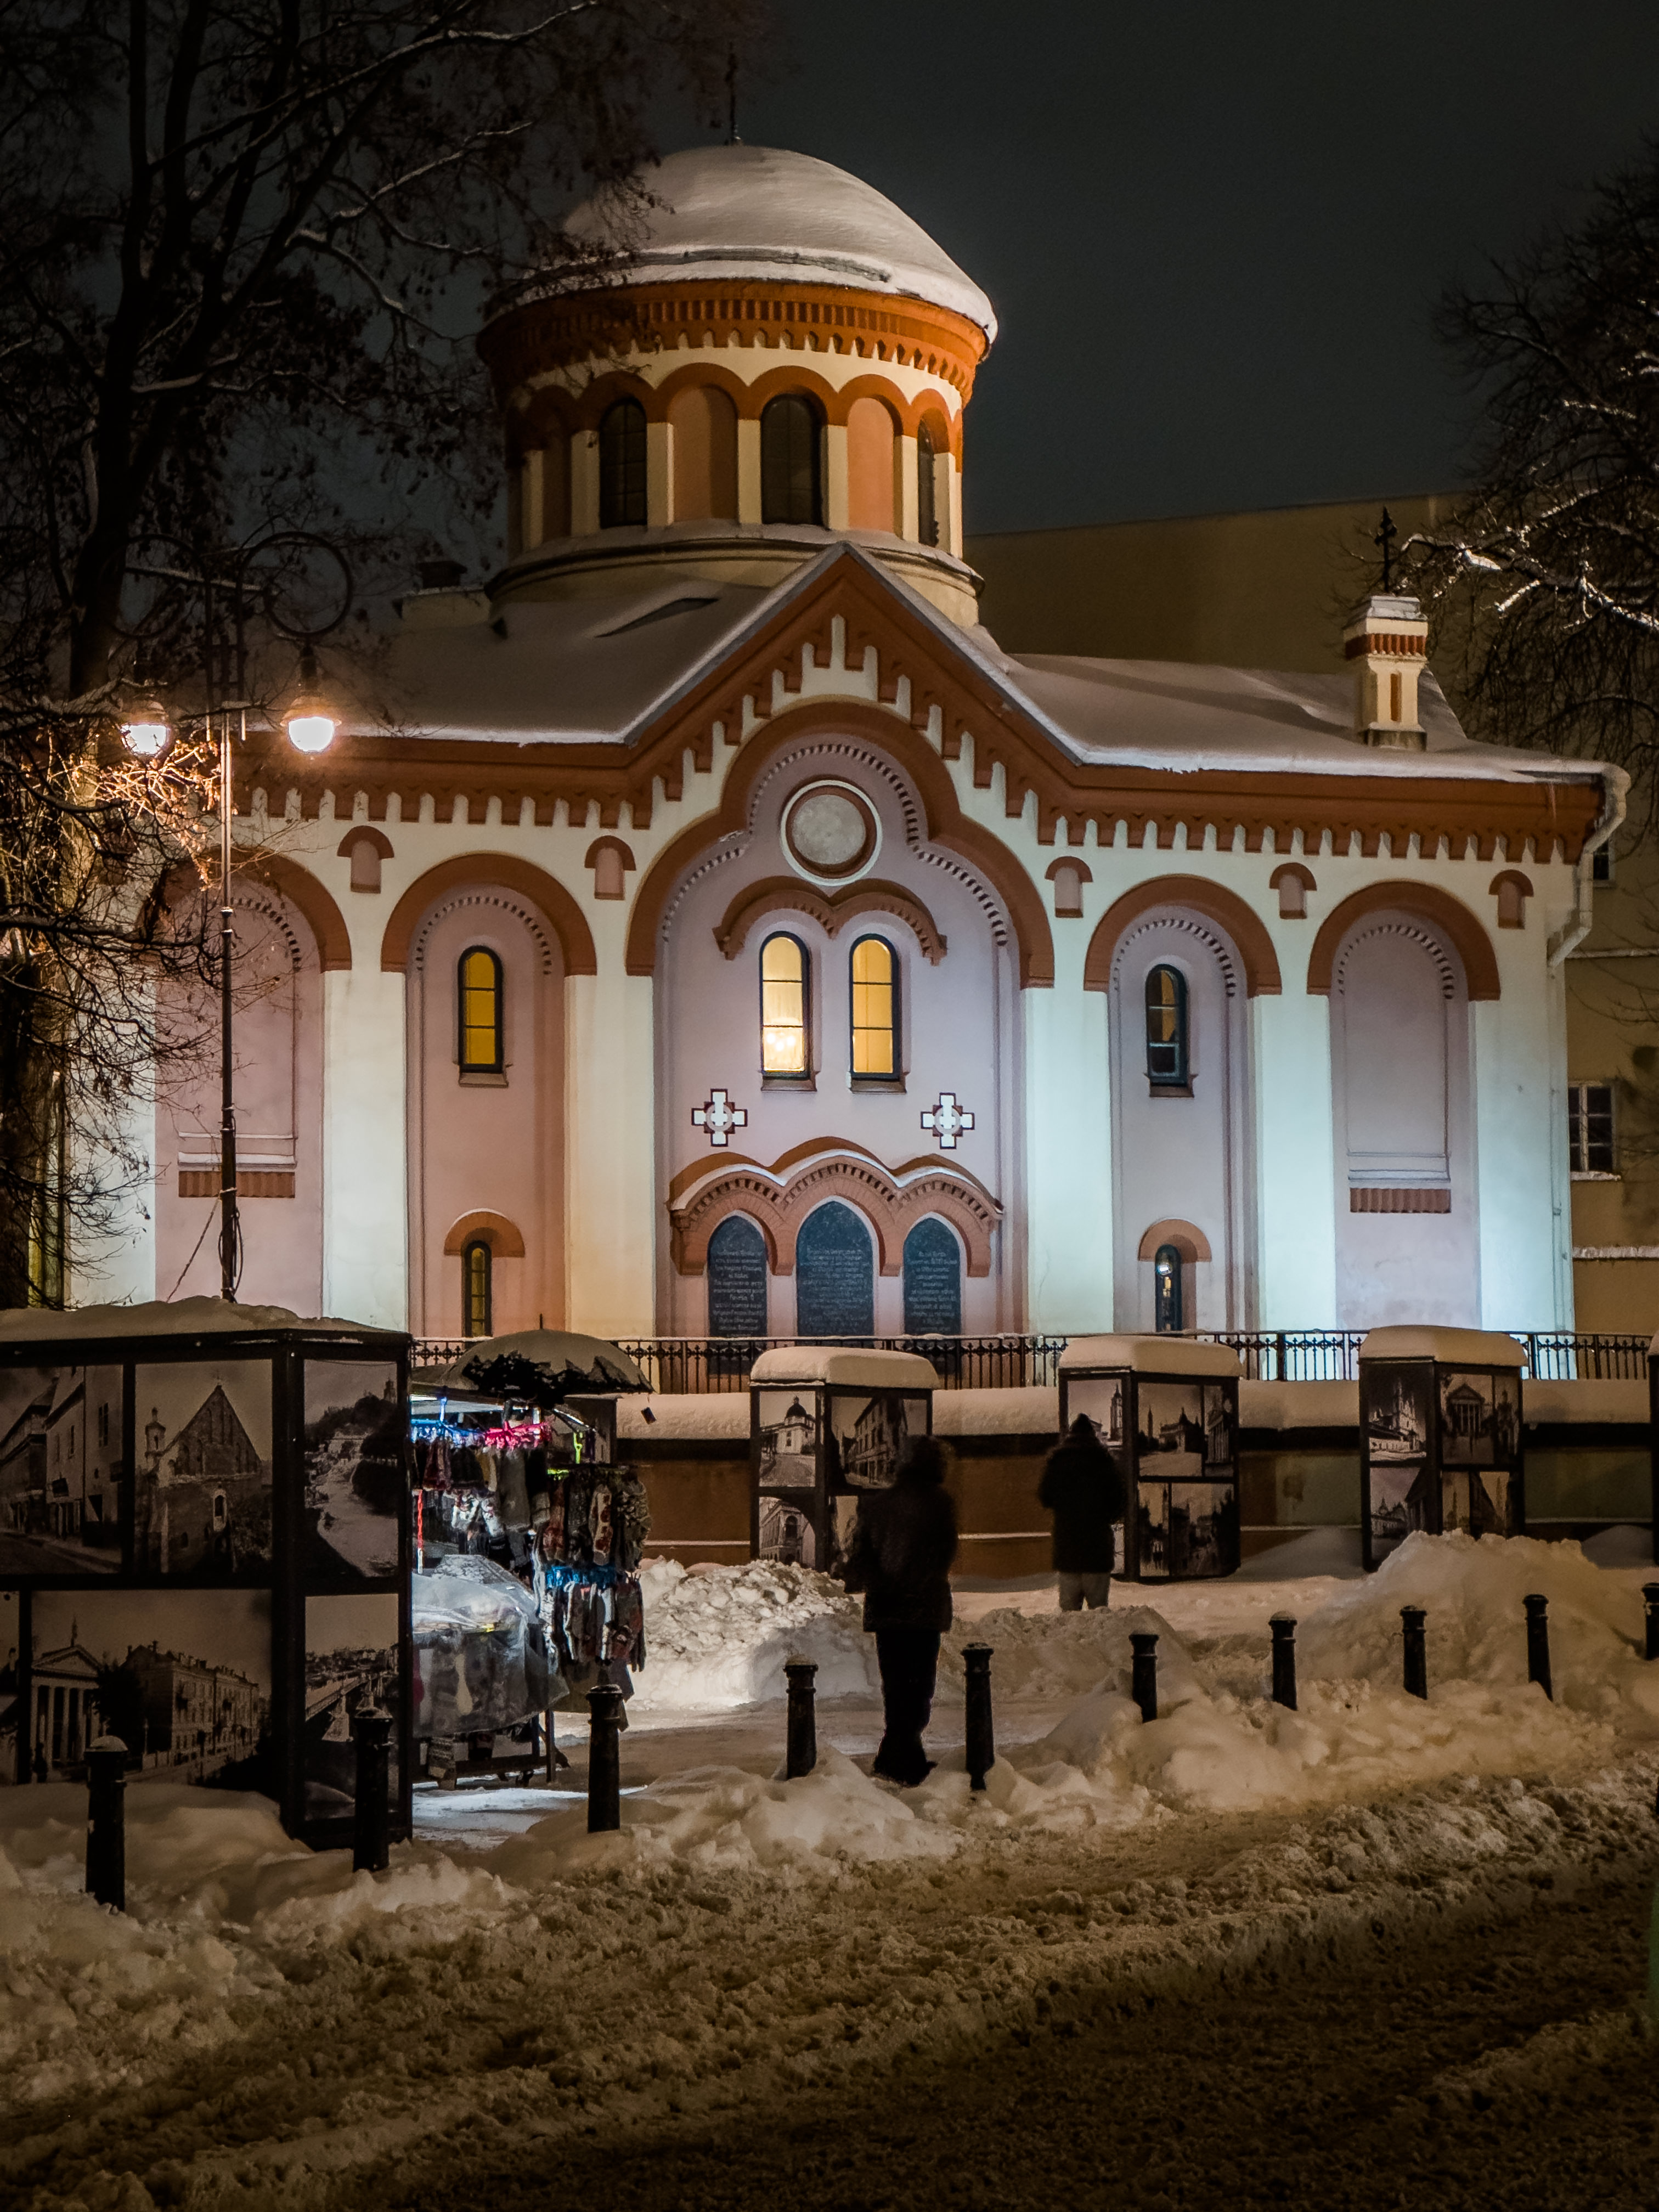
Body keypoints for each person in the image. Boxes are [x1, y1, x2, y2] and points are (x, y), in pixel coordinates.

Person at [839, 1435, 958, 1785]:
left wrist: (885, 1585)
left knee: (896, 1686)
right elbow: (943, 1554)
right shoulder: (939, 1503)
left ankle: (899, 1757)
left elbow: (861, 1556)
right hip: (922, 1609)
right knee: (919, 1686)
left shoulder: (877, 1505)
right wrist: (916, 1584)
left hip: (888, 1608)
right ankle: (898, 1759)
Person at [1039, 1413, 1126, 1610]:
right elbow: (1119, 1500)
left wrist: (1065, 1509)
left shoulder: (1057, 1461)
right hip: (1097, 1548)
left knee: (1070, 1613)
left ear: (1070, 1435)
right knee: (1098, 1611)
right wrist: (1104, 1516)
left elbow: (1045, 1497)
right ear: (1093, 1435)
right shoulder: (1104, 1461)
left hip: (1067, 1547)